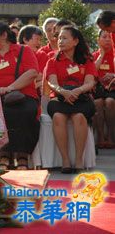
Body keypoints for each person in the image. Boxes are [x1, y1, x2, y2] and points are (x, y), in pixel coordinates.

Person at [0, 21, 39, 170]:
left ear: (4, 35)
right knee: (1, 112)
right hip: (0, 98)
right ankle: (5, 154)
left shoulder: (23, 50)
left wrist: (10, 88)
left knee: (26, 111)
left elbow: (32, 73)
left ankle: (22, 156)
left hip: (25, 95)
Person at [45, 26, 97, 173]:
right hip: (60, 98)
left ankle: (79, 160)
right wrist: (63, 92)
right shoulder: (53, 60)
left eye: (65, 38)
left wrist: (76, 91)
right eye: (59, 38)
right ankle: (65, 160)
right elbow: (52, 82)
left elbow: (90, 82)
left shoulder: (86, 60)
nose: (60, 41)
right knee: (58, 117)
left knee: (79, 116)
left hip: (81, 98)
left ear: (75, 41)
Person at [92, 30, 115, 149]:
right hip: (99, 89)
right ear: (98, 39)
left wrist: (113, 76)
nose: (107, 39)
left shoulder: (114, 55)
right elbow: (92, 72)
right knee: (97, 102)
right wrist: (101, 55)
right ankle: (100, 137)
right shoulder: (94, 55)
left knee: (110, 102)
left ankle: (111, 137)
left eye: (109, 37)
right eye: (104, 37)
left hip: (113, 88)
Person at [18, 25, 48, 90]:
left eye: (40, 40)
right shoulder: (13, 54)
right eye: (37, 39)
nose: (39, 43)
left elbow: (40, 76)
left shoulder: (41, 55)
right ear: (25, 39)